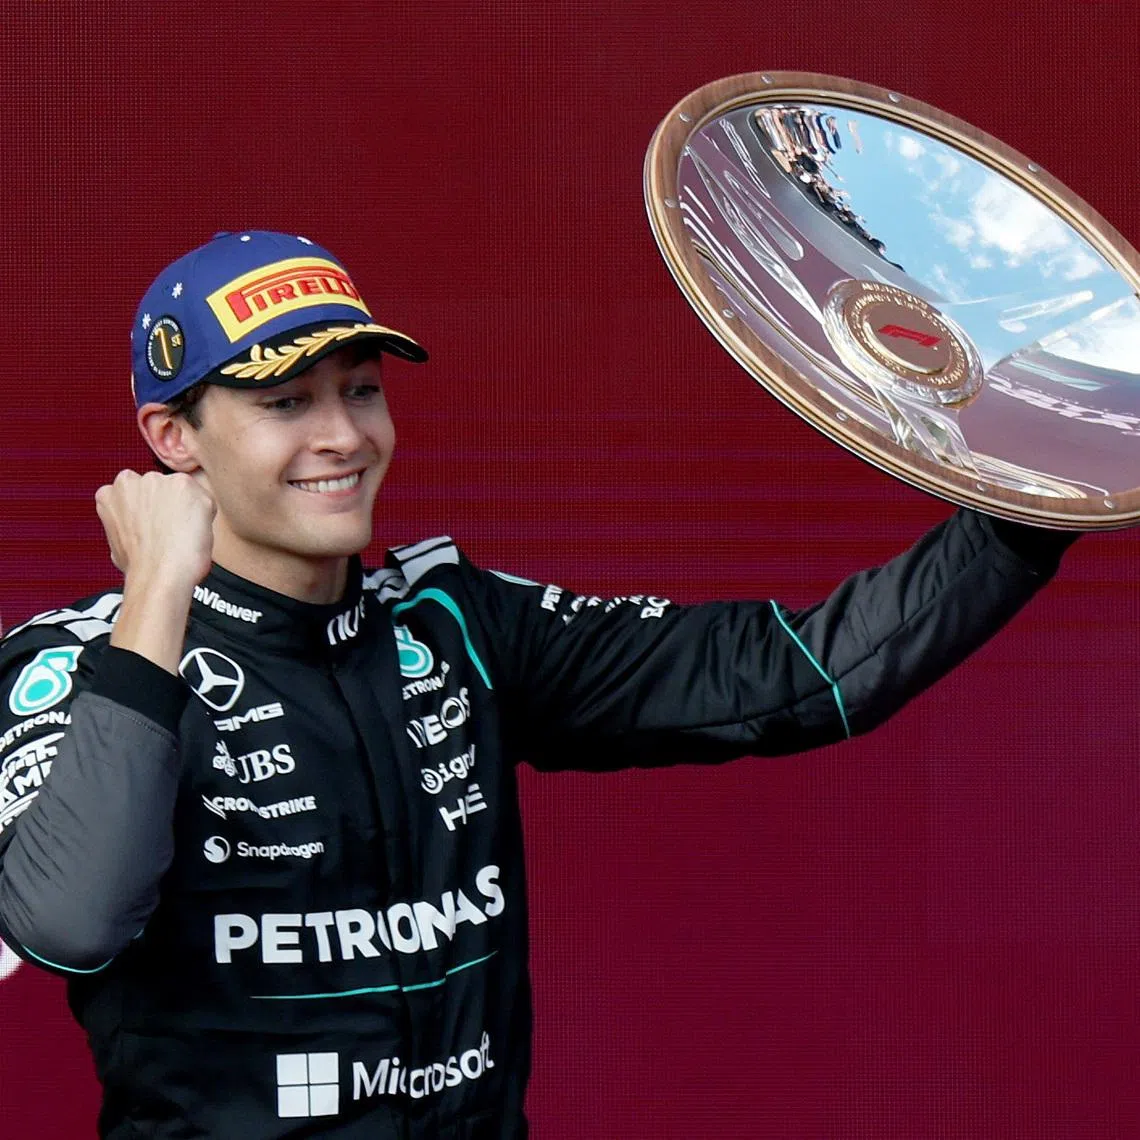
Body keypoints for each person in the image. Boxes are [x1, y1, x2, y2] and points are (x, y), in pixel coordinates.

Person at [0, 231, 1077, 1139]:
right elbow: (70, 921)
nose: (344, 437)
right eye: (287, 401)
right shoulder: (78, 666)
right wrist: (154, 601)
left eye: (362, 391)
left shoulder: (460, 621)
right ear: (171, 438)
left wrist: (1045, 493)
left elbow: (805, 674)